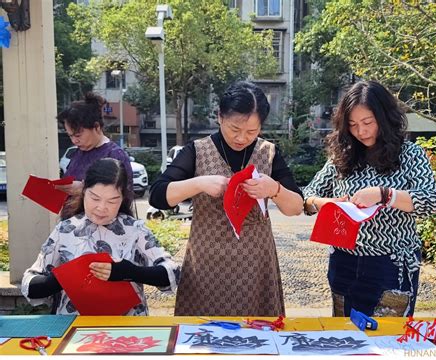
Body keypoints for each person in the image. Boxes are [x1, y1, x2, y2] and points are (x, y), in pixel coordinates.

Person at [149, 81, 304, 316]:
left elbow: (296, 208)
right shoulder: (197, 150)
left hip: (255, 265)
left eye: (252, 132)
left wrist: (275, 189)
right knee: (202, 340)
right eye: (234, 129)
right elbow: (157, 196)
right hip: (206, 264)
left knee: (256, 336)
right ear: (220, 117)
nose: (242, 138)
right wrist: (198, 183)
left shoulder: (268, 152)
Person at [303, 80, 436, 317]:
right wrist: (326, 204)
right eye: (353, 125)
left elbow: (430, 201)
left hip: (391, 264)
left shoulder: (409, 155)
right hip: (344, 261)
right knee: (346, 338)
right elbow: (307, 197)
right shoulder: (343, 156)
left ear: (385, 118)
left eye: (368, 122)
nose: (361, 131)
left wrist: (384, 195)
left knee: (387, 341)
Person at [21, 158, 180, 315]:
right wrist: (60, 279)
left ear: (123, 198)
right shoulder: (66, 230)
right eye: (95, 198)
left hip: (127, 328)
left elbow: (171, 272)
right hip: (74, 329)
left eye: (112, 201)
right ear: (83, 191)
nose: (102, 208)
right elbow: (30, 283)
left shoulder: (135, 230)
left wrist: (130, 272)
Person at [55, 92, 133, 217]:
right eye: (70, 136)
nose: (74, 141)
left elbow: (123, 199)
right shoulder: (78, 152)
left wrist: (84, 189)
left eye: (78, 135)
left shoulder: (115, 155)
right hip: (72, 225)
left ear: (96, 127)